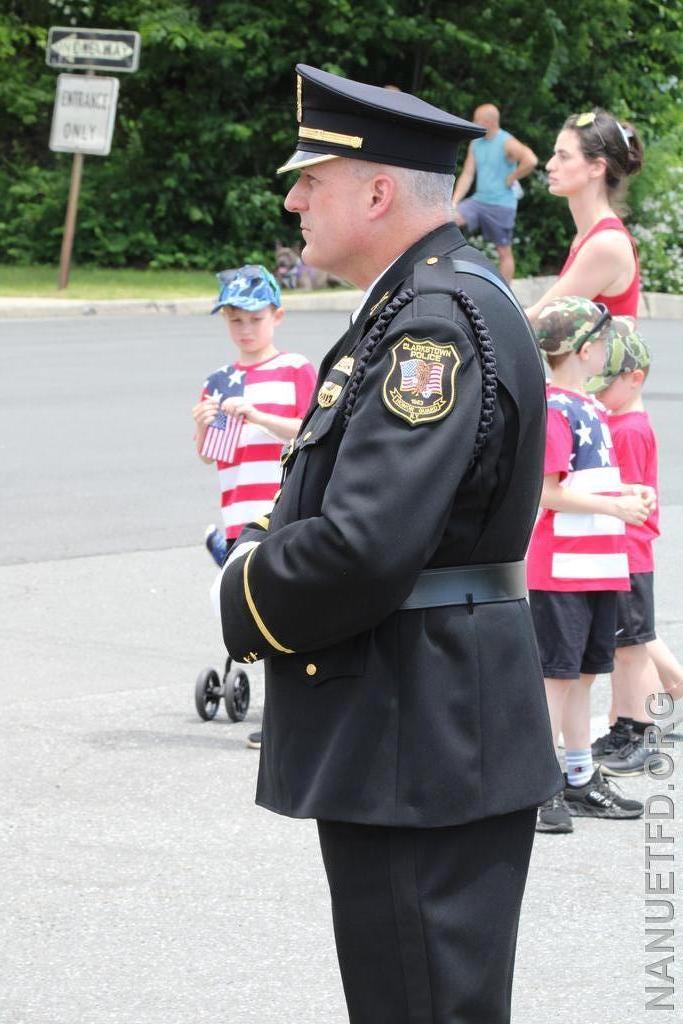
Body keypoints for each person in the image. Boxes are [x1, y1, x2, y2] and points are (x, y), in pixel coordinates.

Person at [218, 63, 562, 1023]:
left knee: (419, 1001)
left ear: (376, 189)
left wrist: (243, 586)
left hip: (419, 733)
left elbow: (365, 545)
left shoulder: (429, 324)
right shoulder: (433, 297)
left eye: (310, 180)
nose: (292, 200)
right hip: (428, 725)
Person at [527, 297, 656, 835]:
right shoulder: (556, 409)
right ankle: (537, 788)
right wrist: (617, 507)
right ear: (584, 351)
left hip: (598, 568)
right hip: (562, 572)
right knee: (556, 681)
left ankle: (577, 778)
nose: (607, 349)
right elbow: (550, 494)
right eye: (602, 341)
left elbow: (585, 484)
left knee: (582, 677)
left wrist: (627, 491)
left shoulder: (594, 410)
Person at [192, 264, 316, 749]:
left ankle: (285, 712)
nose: (245, 330)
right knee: (250, 606)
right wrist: (204, 424)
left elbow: (311, 430)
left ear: (276, 317)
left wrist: (259, 415)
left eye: (254, 319)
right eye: (234, 321)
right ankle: (277, 702)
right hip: (237, 508)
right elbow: (210, 454)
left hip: (281, 505)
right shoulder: (219, 381)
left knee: (281, 607)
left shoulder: (295, 369)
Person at [586, 324, 682, 773]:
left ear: (635, 378)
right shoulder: (622, 423)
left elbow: (624, 496)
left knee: (634, 647)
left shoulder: (627, 430)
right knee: (625, 646)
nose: (599, 394)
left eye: (606, 385)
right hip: (621, 551)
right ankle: (626, 726)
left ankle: (644, 729)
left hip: (628, 552)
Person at [525, 108, 644, 321]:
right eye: (554, 154)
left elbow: (538, 320)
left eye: (563, 156)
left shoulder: (605, 244)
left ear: (597, 168)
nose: (550, 165)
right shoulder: (589, 235)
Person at [451, 103, 538, 282]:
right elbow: (467, 174)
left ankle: (507, 295)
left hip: (501, 204)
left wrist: (513, 176)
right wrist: (454, 202)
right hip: (479, 201)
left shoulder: (506, 142)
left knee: (503, 251)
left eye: (477, 120)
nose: (473, 122)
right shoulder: (476, 143)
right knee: (448, 220)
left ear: (489, 122)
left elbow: (531, 160)